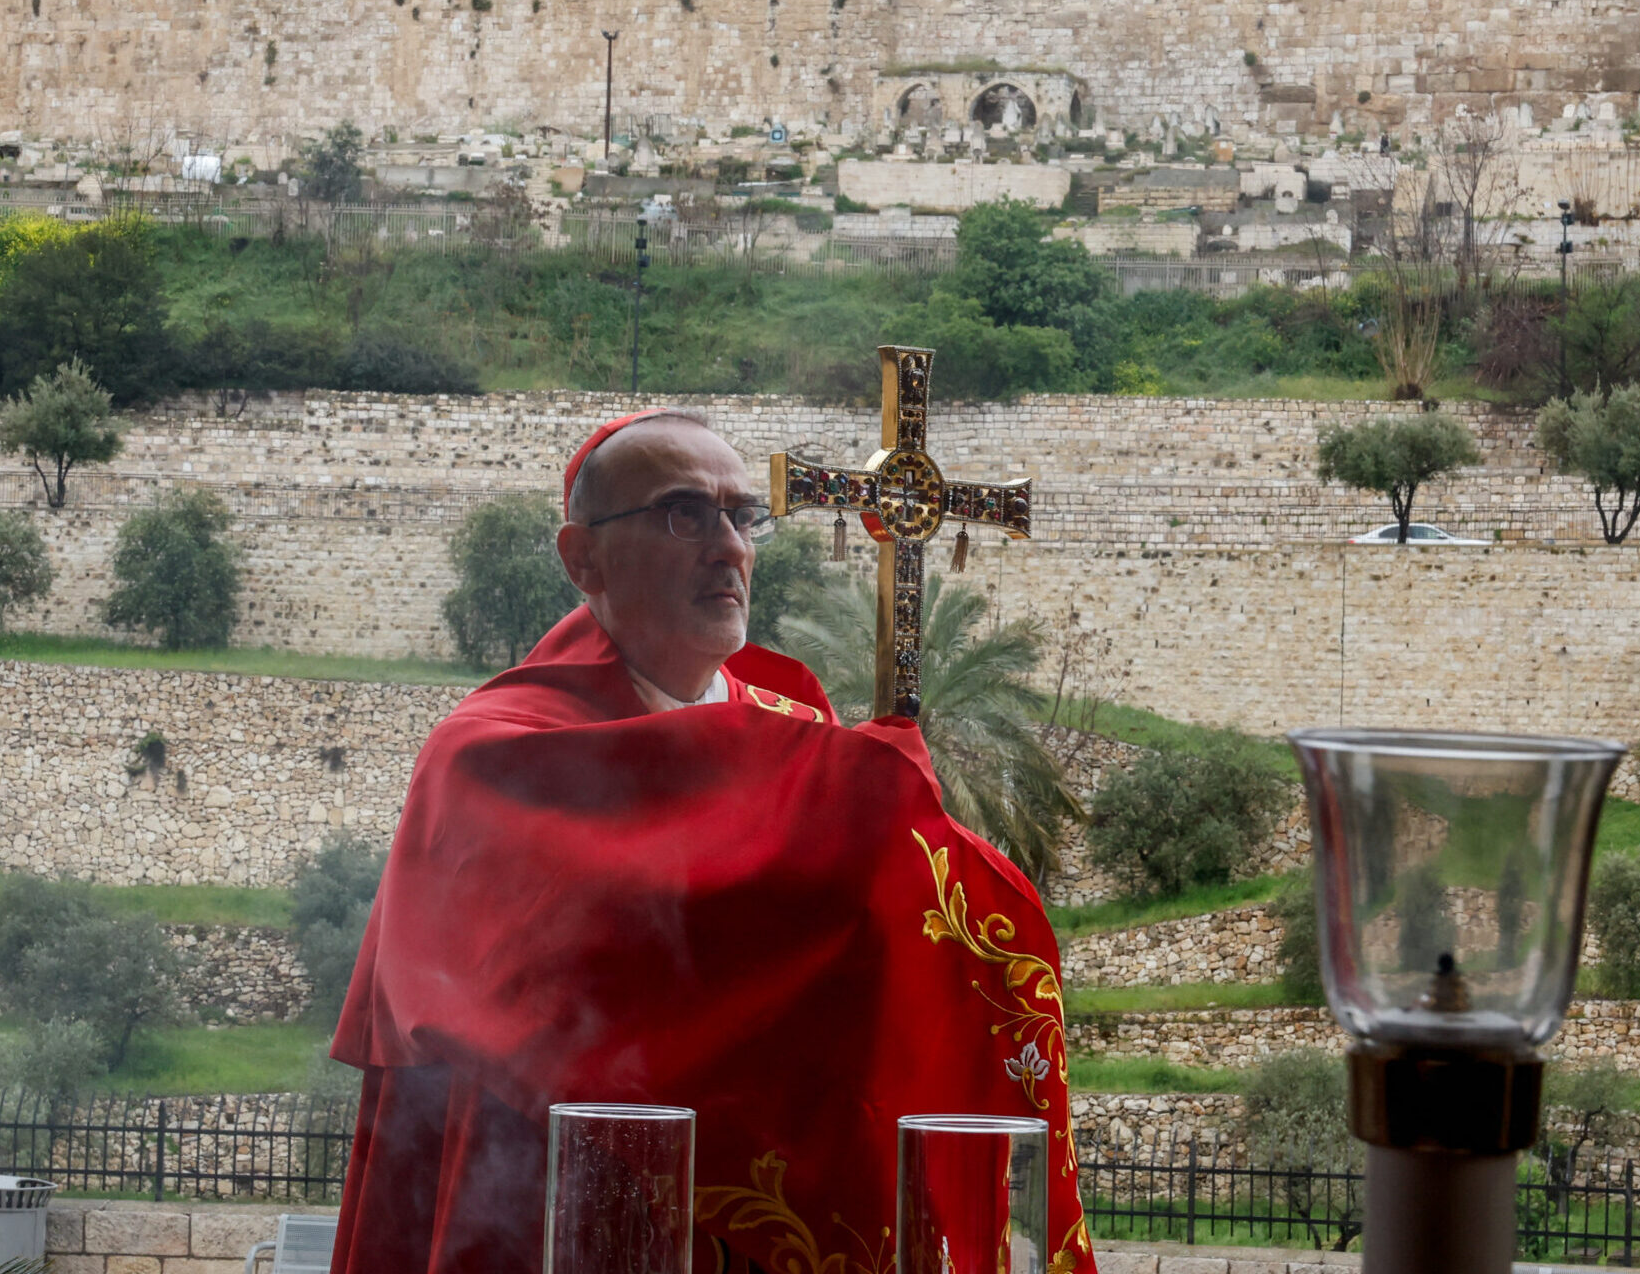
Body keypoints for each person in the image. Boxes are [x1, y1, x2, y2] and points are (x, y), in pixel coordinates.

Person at [330, 409, 1092, 1274]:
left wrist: (888, 826)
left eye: (742, 517)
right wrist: (863, 799)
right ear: (583, 559)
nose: (728, 547)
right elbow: (598, 975)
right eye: (683, 514)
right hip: (550, 1197)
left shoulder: (800, 729)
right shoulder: (493, 755)